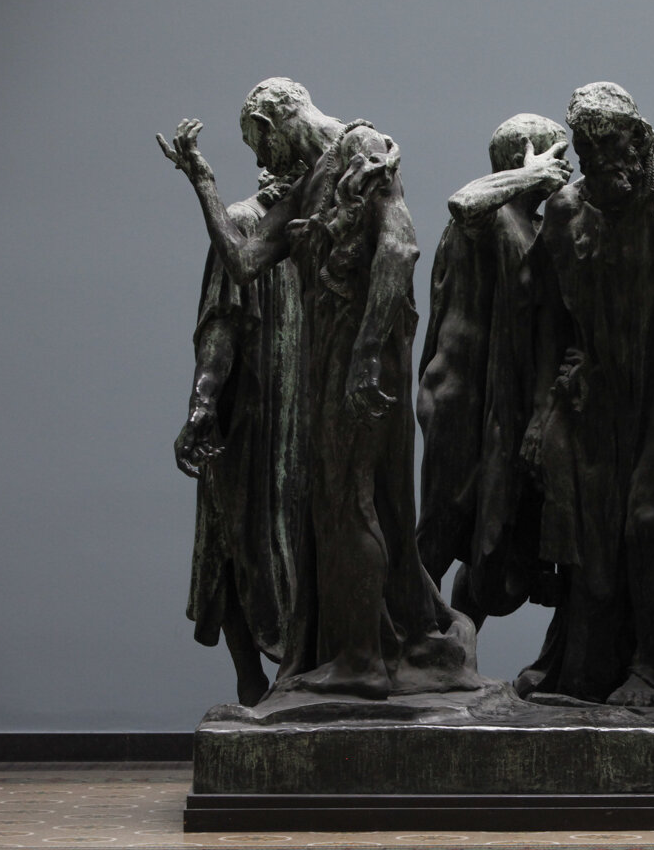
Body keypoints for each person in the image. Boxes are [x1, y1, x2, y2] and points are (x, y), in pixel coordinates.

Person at [158, 78, 479, 699]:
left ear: (279, 117)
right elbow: (244, 260)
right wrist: (202, 182)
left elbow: (400, 247)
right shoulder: (309, 180)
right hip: (337, 358)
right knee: (349, 503)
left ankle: (361, 661)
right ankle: (378, 643)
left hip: (364, 355)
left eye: (261, 143)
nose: (261, 162)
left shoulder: (361, 145)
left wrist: (363, 356)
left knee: (346, 501)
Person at [519, 82, 654, 706]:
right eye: (585, 148)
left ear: (638, 140)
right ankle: (585, 663)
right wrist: (541, 410)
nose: (598, 160)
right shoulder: (565, 210)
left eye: (609, 144)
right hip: (596, 394)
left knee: (644, 521)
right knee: (593, 537)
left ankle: (653, 665)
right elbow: (547, 317)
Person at [416, 115, 572, 627]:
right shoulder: (485, 215)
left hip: (504, 401)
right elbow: (464, 201)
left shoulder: (536, 227)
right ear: (526, 156)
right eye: (556, 154)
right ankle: (401, 644)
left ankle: (458, 655)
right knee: (444, 525)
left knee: (487, 537)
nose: (565, 166)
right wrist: (531, 176)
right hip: (461, 397)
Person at [175, 171, 304, 706]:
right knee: (234, 542)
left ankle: (297, 677)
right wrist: (204, 402)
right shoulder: (246, 224)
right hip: (250, 414)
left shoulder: (313, 230)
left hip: (301, 416)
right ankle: (251, 682)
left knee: (294, 542)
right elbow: (221, 321)